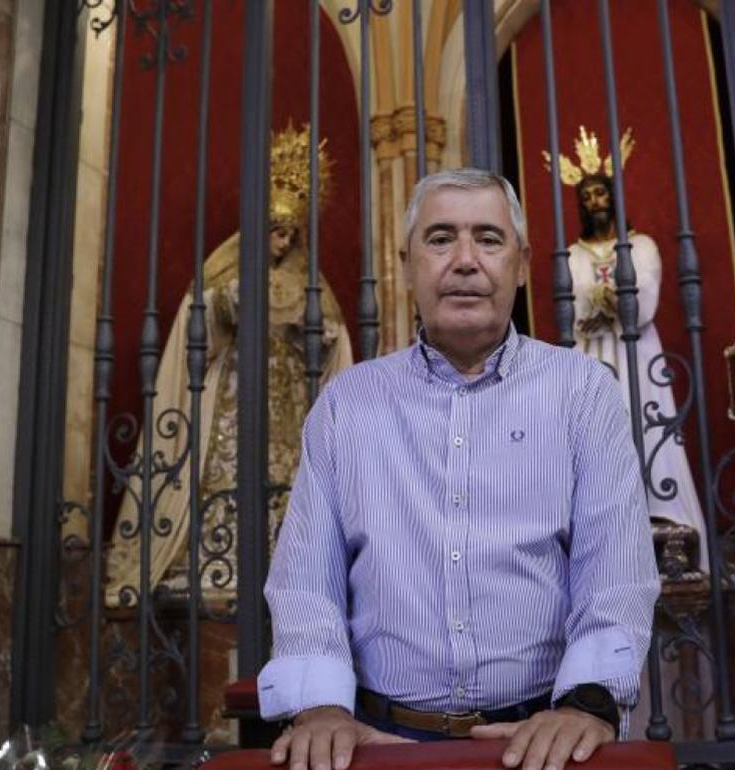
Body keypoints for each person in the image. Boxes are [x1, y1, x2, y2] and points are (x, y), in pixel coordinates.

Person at [257, 168, 659, 770]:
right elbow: (306, 582)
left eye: (489, 239)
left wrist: (586, 705)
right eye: (441, 238)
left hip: (540, 739)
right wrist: (319, 708)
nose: (465, 260)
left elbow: (615, 572)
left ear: (521, 265)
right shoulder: (346, 406)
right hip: (376, 745)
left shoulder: (583, 395)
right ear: (408, 263)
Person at [105, 123, 352, 608]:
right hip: (233, 397)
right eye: (276, 232)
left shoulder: (308, 283)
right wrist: (230, 308)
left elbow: (331, 352)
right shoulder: (224, 273)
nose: (281, 245)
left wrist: (317, 338)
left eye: (289, 235)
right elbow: (198, 329)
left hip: (287, 405)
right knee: (226, 474)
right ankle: (211, 565)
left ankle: (291, 570)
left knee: (288, 480)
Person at [547, 126, 706, 563]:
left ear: (612, 195)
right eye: (587, 196)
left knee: (646, 424)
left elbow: (644, 292)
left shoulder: (642, 245)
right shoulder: (572, 254)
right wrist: (609, 300)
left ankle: (663, 516)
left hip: (637, 354)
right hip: (592, 354)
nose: (594, 202)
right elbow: (573, 304)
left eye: (600, 193)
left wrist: (609, 302)